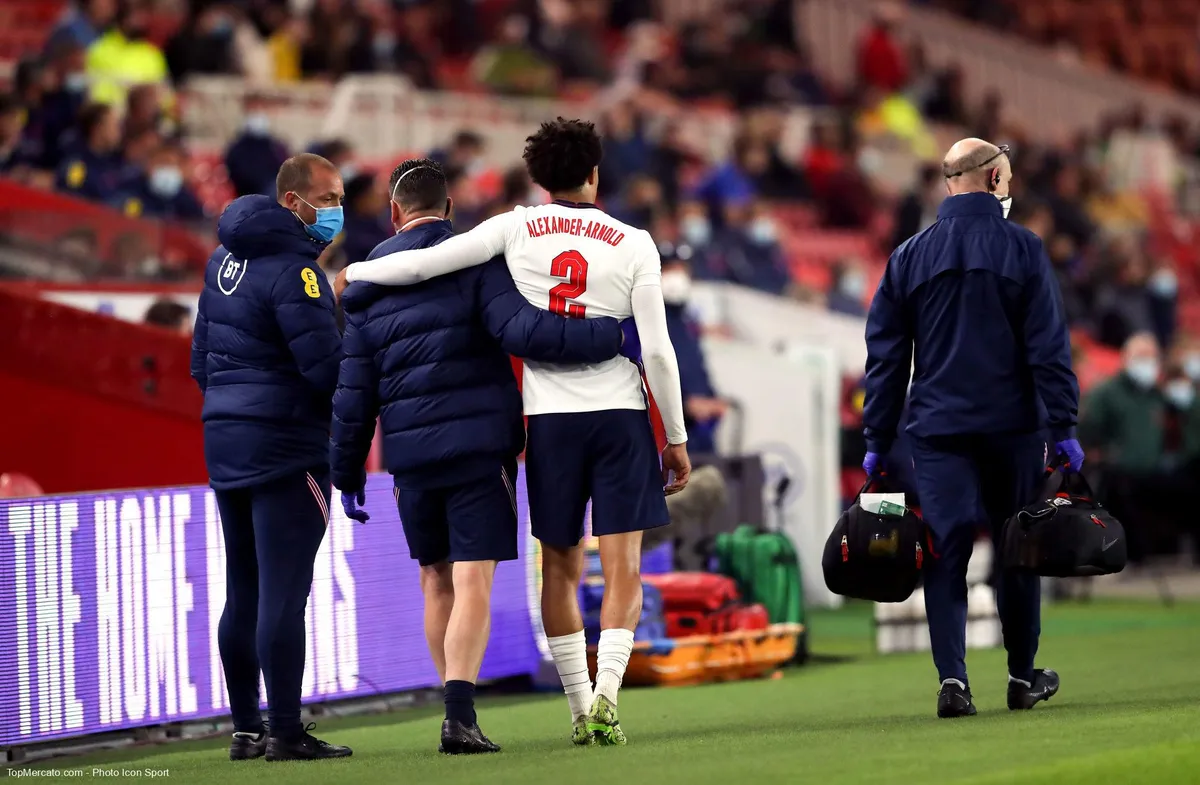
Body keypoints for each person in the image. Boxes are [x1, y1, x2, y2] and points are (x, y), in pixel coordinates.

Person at [337, 118, 690, 747]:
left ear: (538, 177)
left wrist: (359, 276)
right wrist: (678, 438)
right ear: (594, 174)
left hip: (548, 420)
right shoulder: (635, 242)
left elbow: (424, 265)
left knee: (559, 565)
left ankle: (580, 709)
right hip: (618, 413)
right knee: (622, 564)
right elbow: (659, 353)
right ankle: (608, 694)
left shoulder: (514, 229)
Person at [861, 138, 1081, 719]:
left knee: (945, 550)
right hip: (1012, 428)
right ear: (995, 180)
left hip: (937, 430)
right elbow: (1049, 350)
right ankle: (1021, 675)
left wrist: (876, 440)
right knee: (1017, 549)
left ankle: (953, 682)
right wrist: (1063, 426)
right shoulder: (1024, 249)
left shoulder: (908, 256)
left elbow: (886, 359)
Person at [190, 153, 351, 762]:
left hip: (225, 439)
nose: (337, 209)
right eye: (329, 198)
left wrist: (237, 405)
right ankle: (286, 731)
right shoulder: (296, 272)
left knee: (244, 587)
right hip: (286, 446)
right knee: (285, 590)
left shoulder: (222, 261)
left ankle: (246, 729)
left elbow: (200, 361)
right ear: (293, 201)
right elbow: (323, 371)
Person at [661, 243, 726, 454]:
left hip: (698, 434)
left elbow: (697, 369)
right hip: (664, 435)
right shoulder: (644, 321)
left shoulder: (687, 322)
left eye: (682, 269)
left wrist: (713, 398)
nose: (677, 277)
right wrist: (685, 404)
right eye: (670, 269)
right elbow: (642, 372)